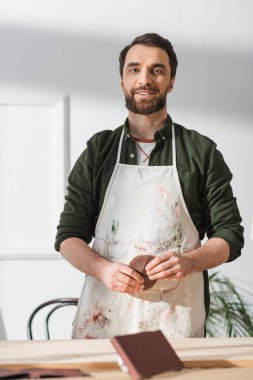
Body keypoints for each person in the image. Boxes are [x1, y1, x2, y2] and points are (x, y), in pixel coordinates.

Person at [55, 33, 244, 339]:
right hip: (105, 317)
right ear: (122, 80)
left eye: (157, 70)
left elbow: (229, 235)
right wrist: (104, 270)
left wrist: (189, 261)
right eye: (134, 69)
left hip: (174, 321)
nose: (145, 78)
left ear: (171, 82)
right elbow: (68, 237)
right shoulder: (98, 150)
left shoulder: (201, 152)